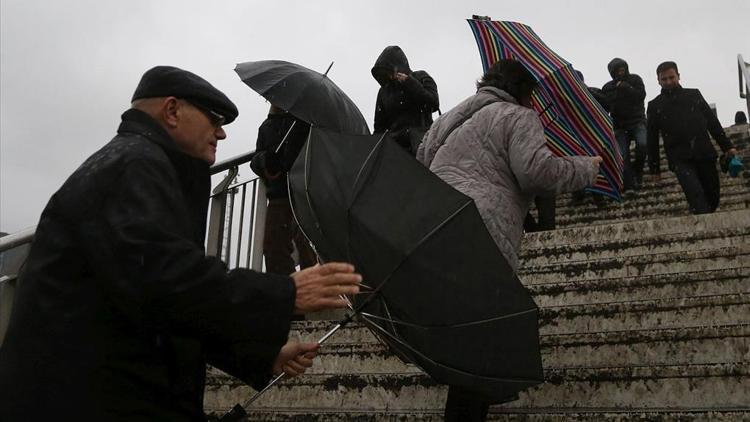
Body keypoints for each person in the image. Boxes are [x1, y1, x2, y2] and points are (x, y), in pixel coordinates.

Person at [0, 66, 361, 422]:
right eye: (215, 119)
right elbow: (164, 277)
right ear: (172, 111)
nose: (221, 134)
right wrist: (283, 293)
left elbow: (155, 307)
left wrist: (259, 355)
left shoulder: (138, 164)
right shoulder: (133, 166)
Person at [417, 59, 601, 421]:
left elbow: (423, 157)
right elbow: (536, 173)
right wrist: (586, 167)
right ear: (523, 90)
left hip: (439, 224)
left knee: (471, 333)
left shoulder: (455, 114)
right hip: (484, 232)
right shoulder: (520, 117)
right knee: (485, 339)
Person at [647, 61, 737, 214]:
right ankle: (701, 217)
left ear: (678, 76)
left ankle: (703, 214)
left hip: (704, 152)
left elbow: (712, 122)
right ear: (658, 80)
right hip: (679, 158)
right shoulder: (655, 105)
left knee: (713, 194)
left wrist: (727, 146)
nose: (668, 82)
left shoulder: (694, 94)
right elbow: (652, 138)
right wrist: (655, 168)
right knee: (694, 192)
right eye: (664, 79)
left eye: (671, 77)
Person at [250, 105, 317, 277]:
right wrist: (264, 161)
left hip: (301, 193)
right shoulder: (266, 127)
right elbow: (256, 159)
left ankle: (313, 288)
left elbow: (304, 153)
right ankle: (287, 291)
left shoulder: (301, 122)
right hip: (278, 195)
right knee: (274, 246)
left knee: (305, 242)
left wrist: (283, 163)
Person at [372, 45, 439, 155]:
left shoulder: (421, 77)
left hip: (422, 143)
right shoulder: (384, 91)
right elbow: (379, 127)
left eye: (390, 71)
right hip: (395, 149)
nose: (389, 76)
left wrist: (409, 82)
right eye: (385, 74)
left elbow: (433, 103)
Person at [602, 58, 647, 191]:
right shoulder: (608, 87)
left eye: (622, 68)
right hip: (619, 125)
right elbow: (605, 106)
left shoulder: (635, 79)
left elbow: (641, 95)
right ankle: (629, 185)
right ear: (612, 72)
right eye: (617, 70)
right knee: (623, 155)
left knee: (643, 145)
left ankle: (638, 170)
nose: (621, 71)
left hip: (637, 121)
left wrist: (627, 88)